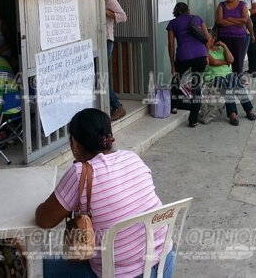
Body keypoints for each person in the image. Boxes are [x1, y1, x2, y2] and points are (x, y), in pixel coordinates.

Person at [35, 109, 174, 278]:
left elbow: (44, 220)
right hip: (164, 264)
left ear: (75, 144)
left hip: (118, 274)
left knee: (39, 266)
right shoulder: (132, 158)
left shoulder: (80, 173)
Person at [167, 2, 209, 127]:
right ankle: (193, 120)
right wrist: (206, 55)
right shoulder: (197, 19)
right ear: (188, 10)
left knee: (176, 79)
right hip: (200, 55)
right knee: (196, 86)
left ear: (175, 12)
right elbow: (207, 37)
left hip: (183, 56)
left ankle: (174, 106)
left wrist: (173, 66)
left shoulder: (173, 23)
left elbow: (171, 45)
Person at [203, 32, 256, 126]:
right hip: (213, 77)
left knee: (236, 82)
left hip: (228, 74)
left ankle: (247, 110)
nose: (206, 40)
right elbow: (214, 62)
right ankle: (233, 113)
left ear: (213, 39)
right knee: (228, 84)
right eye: (205, 38)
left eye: (208, 38)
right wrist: (225, 62)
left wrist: (224, 46)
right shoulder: (204, 51)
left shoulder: (221, 49)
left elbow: (231, 60)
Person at [215, 0, 250, 75]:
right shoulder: (221, 5)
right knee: (224, 60)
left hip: (239, 38)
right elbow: (219, 21)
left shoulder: (242, 5)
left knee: (238, 61)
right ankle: (225, 79)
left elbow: (245, 20)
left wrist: (228, 19)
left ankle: (237, 80)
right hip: (224, 38)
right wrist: (238, 21)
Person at [105, 0, 128, 121]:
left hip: (106, 40)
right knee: (99, 76)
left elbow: (123, 16)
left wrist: (105, 12)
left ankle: (116, 106)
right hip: (95, 40)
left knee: (100, 75)